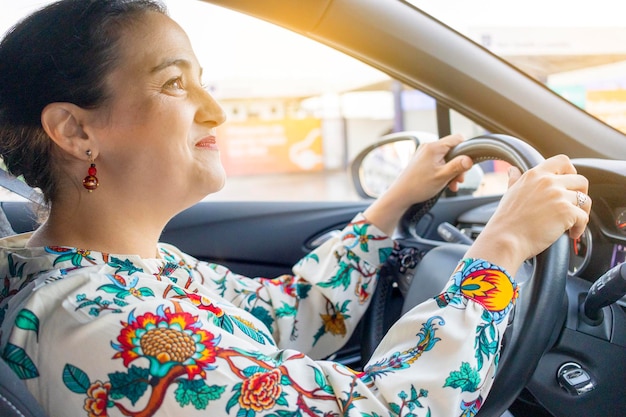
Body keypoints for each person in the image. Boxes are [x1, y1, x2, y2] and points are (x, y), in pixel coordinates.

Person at [0, 1, 590, 416]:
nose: (216, 109)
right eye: (176, 84)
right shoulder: (98, 322)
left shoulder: (134, 270)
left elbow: (295, 316)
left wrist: (390, 205)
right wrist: (501, 249)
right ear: (76, 130)